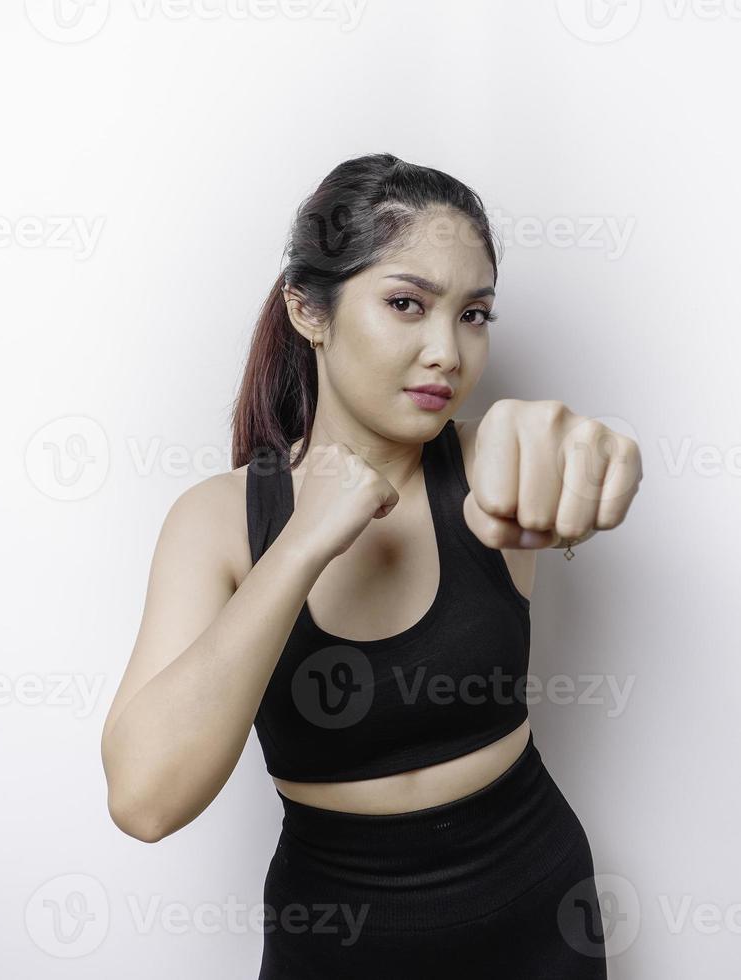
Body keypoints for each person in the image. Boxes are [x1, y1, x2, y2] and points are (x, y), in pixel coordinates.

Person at [100, 152, 641, 977]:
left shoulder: (487, 471)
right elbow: (144, 801)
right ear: (307, 310)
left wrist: (593, 454)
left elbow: (556, 450)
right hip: (338, 942)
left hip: (538, 917)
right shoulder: (215, 522)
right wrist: (304, 540)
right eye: (405, 304)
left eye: (474, 314)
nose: (448, 353)